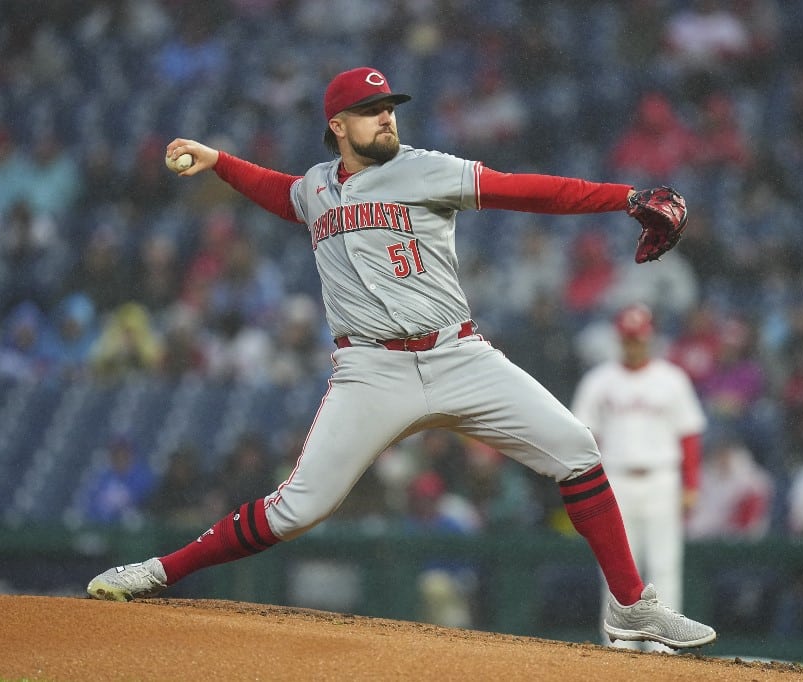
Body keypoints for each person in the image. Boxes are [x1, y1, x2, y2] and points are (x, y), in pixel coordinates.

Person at [86, 67, 716, 649]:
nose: (386, 118)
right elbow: (284, 195)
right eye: (369, 110)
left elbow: (527, 191)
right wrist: (220, 160)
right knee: (297, 510)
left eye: (389, 107)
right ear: (338, 126)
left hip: (457, 354)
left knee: (577, 448)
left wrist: (625, 198)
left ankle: (630, 605)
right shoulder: (315, 188)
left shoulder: (425, 168)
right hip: (370, 371)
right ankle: (158, 570)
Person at [570, 303, 708, 651]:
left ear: (649, 339)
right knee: (616, 569)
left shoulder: (671, 379)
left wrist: (691, 483)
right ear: (620, 339)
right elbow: (580, 437)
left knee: (664, 566)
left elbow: (689, 434)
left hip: (662, 478)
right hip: (614, 480)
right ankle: (618, 646)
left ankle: (664, 648)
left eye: (639, 339)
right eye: (629, 339)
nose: (634, 346)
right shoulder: (599, 380)